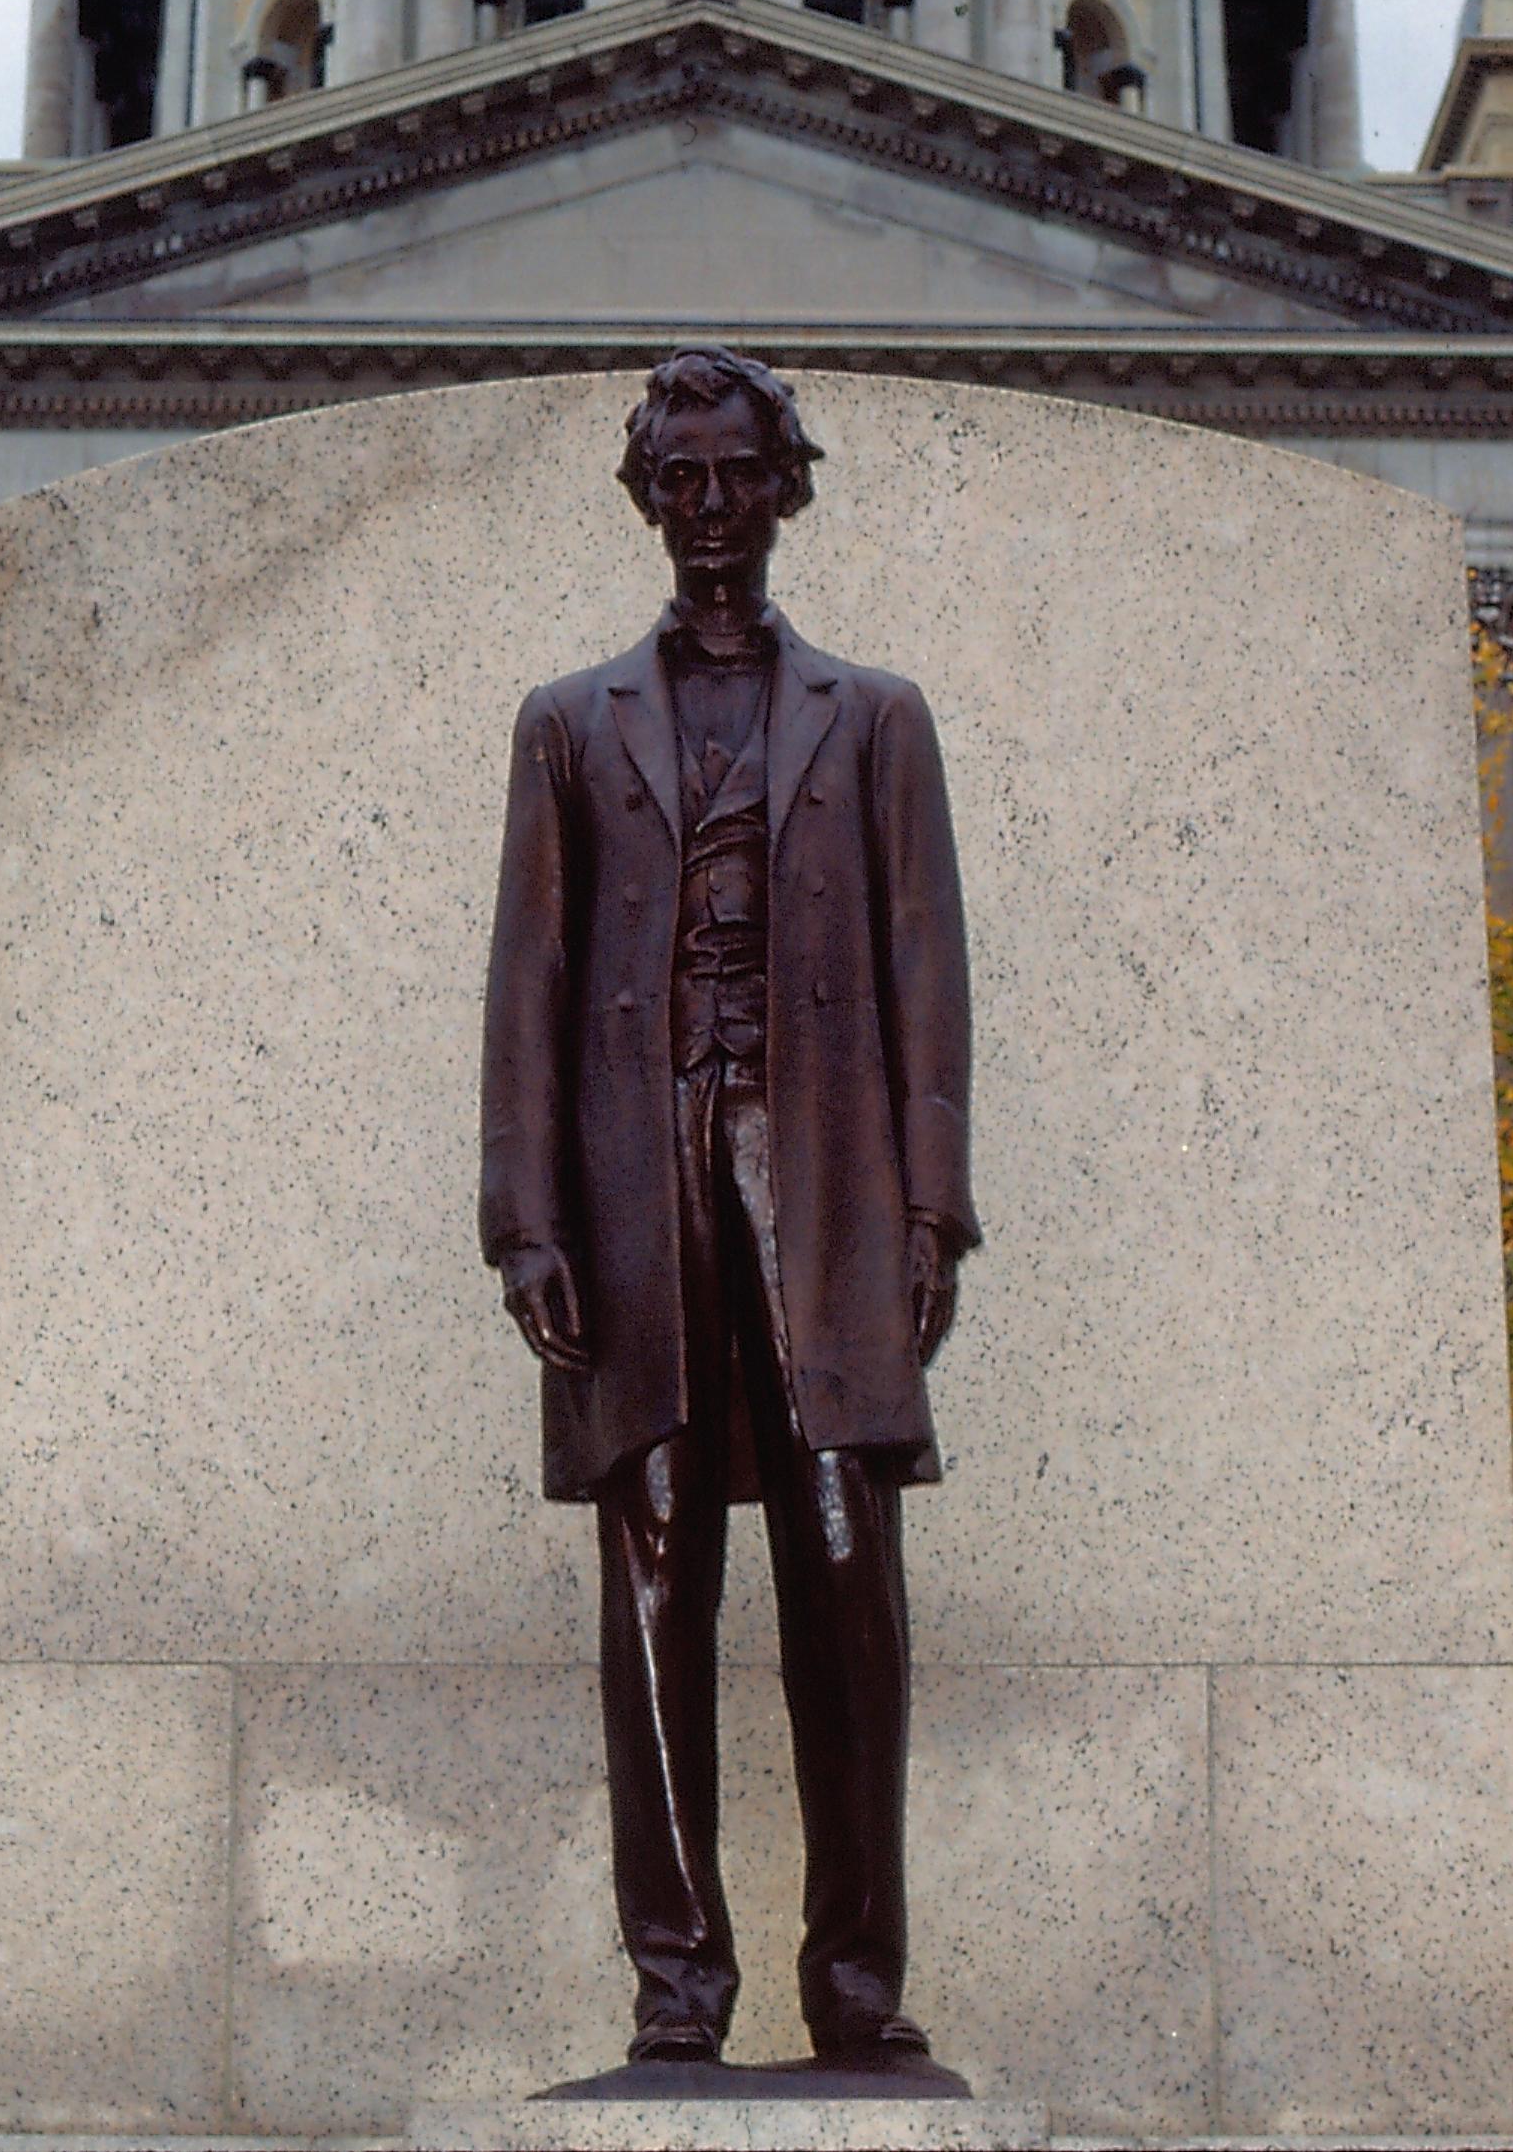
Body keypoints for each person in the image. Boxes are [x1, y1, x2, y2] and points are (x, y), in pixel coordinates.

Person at [479, 347, 979, 2071]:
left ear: (784, 490)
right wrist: (523, 1217)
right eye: (677, 480)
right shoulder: (568, 721)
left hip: (827, 1173)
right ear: (647, 498)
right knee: (656, 1575)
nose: (706, 510)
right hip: (638, 1186)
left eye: (735, 477)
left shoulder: (878, 715)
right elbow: (527, 982)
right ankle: (677, 1990)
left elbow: (930, 971)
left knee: (848, 1565)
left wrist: (938, 1205)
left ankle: (858, 1980)